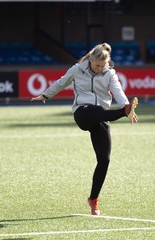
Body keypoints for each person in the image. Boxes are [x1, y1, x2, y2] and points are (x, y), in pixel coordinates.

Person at [31, 43, 138, 216]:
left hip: (101, 117)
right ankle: (123, 112)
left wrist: (126, 103)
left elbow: (117, 90)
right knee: (98, 112)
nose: (100, 68)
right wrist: (45, 96)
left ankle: (93, 200)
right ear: (90, 59)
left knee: (105, 160)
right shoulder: (77, 69)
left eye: (103, 66)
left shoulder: (109, 73)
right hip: (83, 113)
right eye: (97, 65)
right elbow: (61, 82)